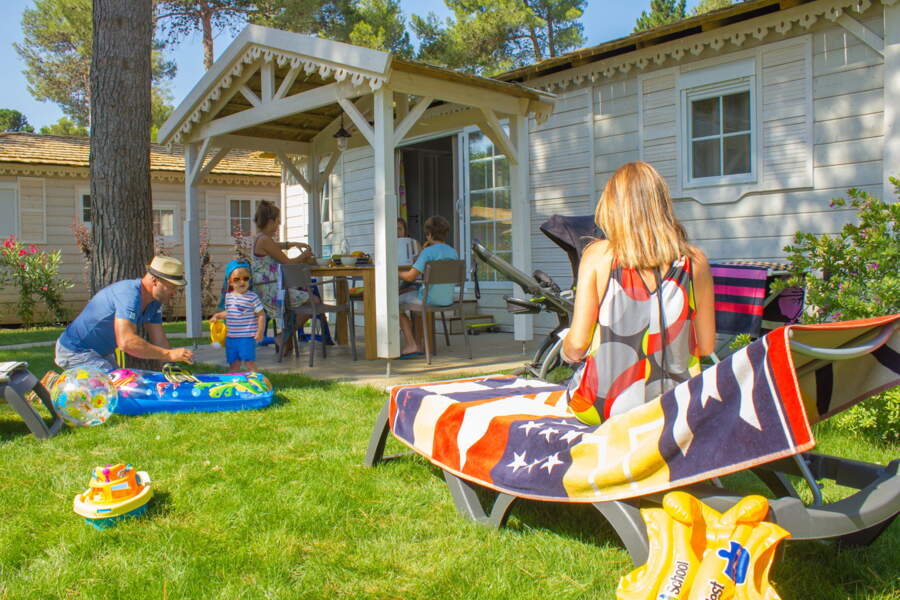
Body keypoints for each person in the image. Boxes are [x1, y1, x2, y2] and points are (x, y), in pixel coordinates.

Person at [562, 161, 716, 425]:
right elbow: (706, 346)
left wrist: (567, 353)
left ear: (613, 208)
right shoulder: (695, 262)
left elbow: (577, 344)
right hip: (674, 408)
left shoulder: (599, 256)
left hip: (603, 407)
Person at [54, 256, 194, 371]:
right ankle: (62, 388)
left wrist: (171, 370)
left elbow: (159, 340)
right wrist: (169, 354)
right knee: (114, 394)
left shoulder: (154, 302)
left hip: (100, 353)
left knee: (125, 387)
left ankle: (67, 386)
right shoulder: (129, 294)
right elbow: (126, 342)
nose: (174, 292)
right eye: (171, 286)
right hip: (75, 351)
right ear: (154, 280)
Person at [397, 215, 458, 358]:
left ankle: (411, 344)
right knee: (414, 295)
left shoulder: (428, 252)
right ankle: (420, 344)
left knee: (393, 302)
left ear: (429, 235)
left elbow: (410, 276)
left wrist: (396, 271)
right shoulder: (453, 252)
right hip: (448, 300)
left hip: (428, 300)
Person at [251, 200, 314, 327]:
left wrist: (292, 244)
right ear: (270, 222)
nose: (279, 224)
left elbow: (276, 246)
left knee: (309, 296)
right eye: (277, 221)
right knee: (314, 302)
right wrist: (305, 255)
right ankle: (285, 338)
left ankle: (287, 339)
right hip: (269, 291)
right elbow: (288, 263)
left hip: (265, 287)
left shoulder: (260, 238)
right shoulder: (265, 240)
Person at [210, 260, 265, 372]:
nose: (242, 282)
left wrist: (260, 331)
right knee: (233, 363)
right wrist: (218, 316)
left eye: (245, 278)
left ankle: (257, 383)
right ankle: (233, 384)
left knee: (249, 362)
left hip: (247, 337)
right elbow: (230, 312)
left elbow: (261, 315)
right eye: (237, 279)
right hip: (231, 337)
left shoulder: (252, 297)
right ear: (229, 281)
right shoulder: (228, 296)